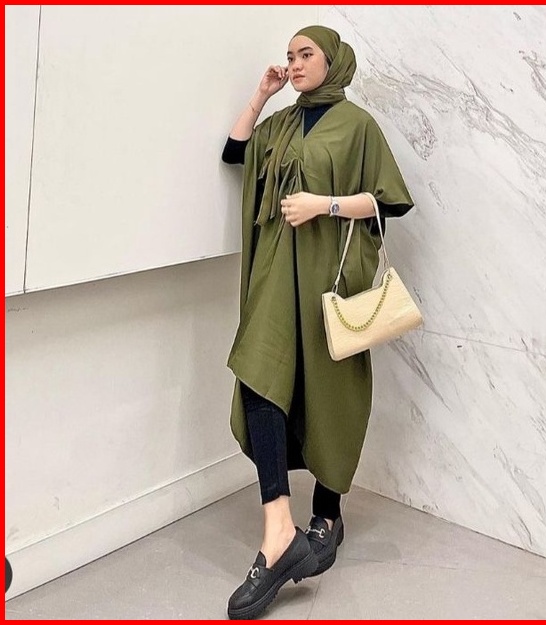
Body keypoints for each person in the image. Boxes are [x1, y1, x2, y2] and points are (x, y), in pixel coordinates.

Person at [221, 25, 414, 620]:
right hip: (276, 272)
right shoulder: (280, 123)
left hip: (330, 276)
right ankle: (279, 527)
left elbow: (388, 201)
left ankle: (327, 512)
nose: (296, 63)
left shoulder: (358, 127)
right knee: (259, 376)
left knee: (330, 390)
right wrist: (261, 95)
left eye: (306, 54)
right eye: (290, 55)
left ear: (333, 61)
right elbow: (234, 152)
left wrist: (323, 205)